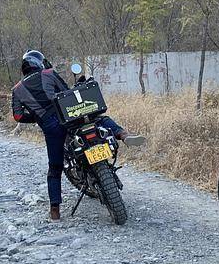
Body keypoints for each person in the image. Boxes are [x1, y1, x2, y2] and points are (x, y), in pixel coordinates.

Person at [11, 50, 140, 221]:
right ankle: (122, 134)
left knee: (55, 168)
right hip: (69, 117)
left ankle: (55, 210)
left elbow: (18, 116)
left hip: (52, 128)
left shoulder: (17, 89)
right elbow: (66, 92)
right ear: (39, 63)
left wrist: (36, 116)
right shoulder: (49, 73)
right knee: (99, 119)